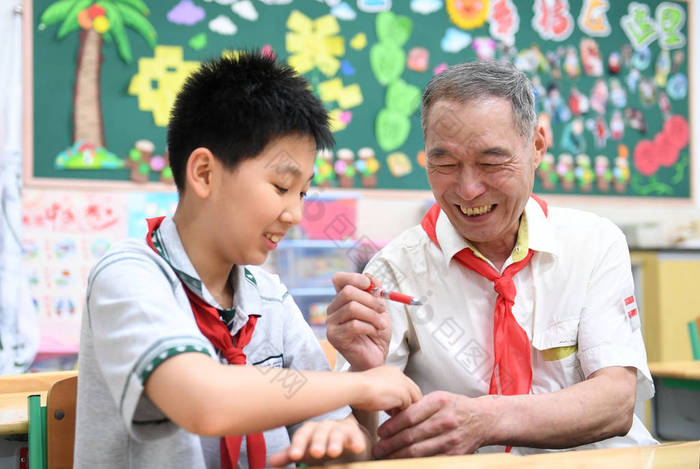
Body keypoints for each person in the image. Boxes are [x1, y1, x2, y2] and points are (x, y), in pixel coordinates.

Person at [74, 51, 421, 469]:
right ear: (204, 173)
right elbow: (204, 402)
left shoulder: (270, 299)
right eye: (281, 186)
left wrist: (342, 434)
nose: (295, 213)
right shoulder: (130, 275)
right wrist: (360, 388)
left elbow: (351, 444)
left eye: (303, 193)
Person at [326, 60, 657, 458]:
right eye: (445, 163)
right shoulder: (396, 269)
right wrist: (364, 376)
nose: (467, 190)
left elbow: (616, 403)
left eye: (491, 163)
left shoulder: (593, 244)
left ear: (536, 146)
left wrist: (485, 420)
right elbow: (368, 440)